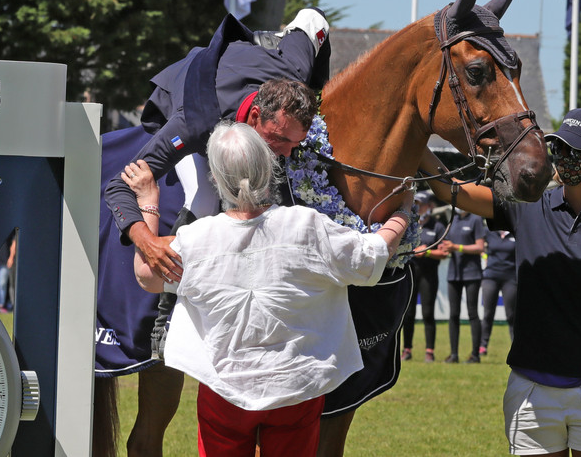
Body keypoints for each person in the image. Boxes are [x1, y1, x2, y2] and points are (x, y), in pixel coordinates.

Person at [126, 122, 412, 456]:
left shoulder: (197, 239)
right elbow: (371, 255)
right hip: (296, 386)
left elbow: (147, 275)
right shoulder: (307, 225)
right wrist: (402, 214)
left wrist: (148, 202)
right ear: (268, 168)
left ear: (215, 179)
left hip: (225, 388)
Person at [421, 107, 581, 454]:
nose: (562, 157)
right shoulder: (526, 204)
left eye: (575, 151)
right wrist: (417, 146)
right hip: (531, 394)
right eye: (558, 146)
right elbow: (453, 192)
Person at [104, 8, 331, 280]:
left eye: (294, 143)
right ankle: (165, 315)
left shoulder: (294, 68)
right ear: (256, 116)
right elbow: (118, 185)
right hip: (194, 91)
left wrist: (318, 87)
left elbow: (313, 17)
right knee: (203, 199)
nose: (286, 152)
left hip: (250, 64)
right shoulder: (193, 125)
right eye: (281, 139)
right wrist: (147, 241)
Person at [401, 191, 448, 363]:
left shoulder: (438, 226)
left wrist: (426, 252)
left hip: (429, 275)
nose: (418, 208)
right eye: (416, 204)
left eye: (421, 205)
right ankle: (407, 349)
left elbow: (443, 253)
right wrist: (414, 251)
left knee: (428, 313)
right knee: (408, 313)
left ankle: (429, 351)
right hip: (411, 273)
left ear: (430, 206)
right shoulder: (410, 225)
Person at [439, 210, 486, 363]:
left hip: (472, 273)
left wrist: (457, 247)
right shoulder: (453, 218)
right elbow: (447, 245)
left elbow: (480, 247)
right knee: (453, 314)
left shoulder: (476, 219)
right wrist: (444, 248)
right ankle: (453, 355)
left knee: (472, 313)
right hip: (454, 273)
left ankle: (475, 355)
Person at [478, 228, 516, 356]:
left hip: (510, 278)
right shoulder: (489, 232)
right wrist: (484, 256)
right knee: (488, 314)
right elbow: (480, 247)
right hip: (490, 276)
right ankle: (483, 345)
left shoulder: (515, 232)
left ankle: (515, 346)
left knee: (511, 315)